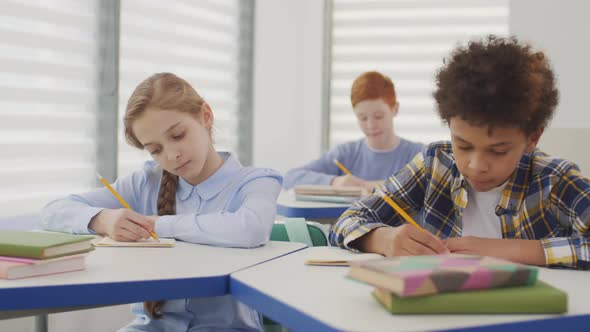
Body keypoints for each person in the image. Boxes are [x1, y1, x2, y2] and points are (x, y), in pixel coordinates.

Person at [41, 72, 283, 330]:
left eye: (178, 135)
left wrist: (158, 225)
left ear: (206, 116)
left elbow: (251, 229)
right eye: (155, 150)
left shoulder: (256, 181)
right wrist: (103, 219)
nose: (172, 155)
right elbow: (52, 212)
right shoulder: (145, 183)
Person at [330, 35, 590, 270]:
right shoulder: (435, 164)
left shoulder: (553, 179)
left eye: (498, 151)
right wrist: (381, 238)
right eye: (463, 145)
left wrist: (514, 250)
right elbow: (347, 220)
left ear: (533, 138)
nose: (476, 165)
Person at [283, 71, 423, 192]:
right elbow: (290, 178)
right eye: (362, 118)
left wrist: (364, 185)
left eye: (378, 116)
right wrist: (334, 182)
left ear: (395, 109)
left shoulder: (419, 154)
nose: (371, 125)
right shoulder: (345, 154)